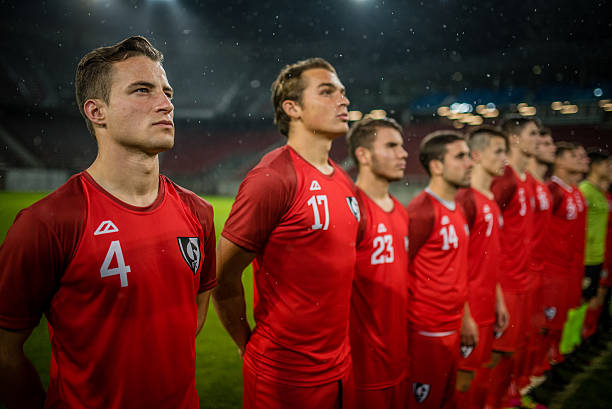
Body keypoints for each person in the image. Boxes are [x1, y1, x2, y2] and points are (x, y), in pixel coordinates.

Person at [0, 36, 217, 409]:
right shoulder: (48, 222)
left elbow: (191, 316)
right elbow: (5, 353)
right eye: (142, 90)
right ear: (96, 112)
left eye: (167, 92)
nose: (166, 105)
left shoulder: (198, 212)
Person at [212, 58, 359, 409]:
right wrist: (244, 341)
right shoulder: (273, 178)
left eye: (342, 92)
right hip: (284, 375)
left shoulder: (343, 180)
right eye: (327, 91)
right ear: (291, 108)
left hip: (341, 368)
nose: (343, 100)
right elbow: (222, 276)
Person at [405, 131, 473, 409]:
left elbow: (457, 269)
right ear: (436, 166)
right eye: (460, 156)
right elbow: (399, 269)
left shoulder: (457, 207)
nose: (469, 163)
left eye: (469, 155)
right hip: (426, 332)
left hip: (453, 326)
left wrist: (466, 318)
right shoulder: (421, 211)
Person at [345, 117, 409, 408]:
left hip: (397, 356)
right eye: (392, 146)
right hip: (361, 364)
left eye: (402, 146)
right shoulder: (350, 210)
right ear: (363, 154)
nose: (404, 153)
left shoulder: (401, 212)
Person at [454, 126, 509, 409]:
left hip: (487, 306)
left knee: (480, 375)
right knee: (462, 382)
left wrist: (498, 301)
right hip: (470, 308)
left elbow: (489, 259)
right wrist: (465, 315)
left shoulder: (490, 201)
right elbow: (456, 264)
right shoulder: (465, 200)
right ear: (476, 155)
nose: (505, 158)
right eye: (498, 151)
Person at [485, 117, 539, 409]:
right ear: (514, 138)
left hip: (523, 279)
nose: (538, 139)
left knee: (510, 351)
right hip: (504, 282)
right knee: (496, 353)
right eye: (532, 134)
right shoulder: (504, 179)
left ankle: (506, 399)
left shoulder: (525, 179)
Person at [523, 128, 555, 386]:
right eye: (542, 141)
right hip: (521, 275)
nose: (550, 147)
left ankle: (523, 383)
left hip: (543, 271)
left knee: (533, 332)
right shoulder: (520, 185)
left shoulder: (543, 187)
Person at [578, 150, 609, 343]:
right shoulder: (585, 191)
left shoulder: (599, 193)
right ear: (596, 166)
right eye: (606, 165)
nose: (609, 169)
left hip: (598, 255)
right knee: (580, 303)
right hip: (585, 257)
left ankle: (580, 342)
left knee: (590, 300)